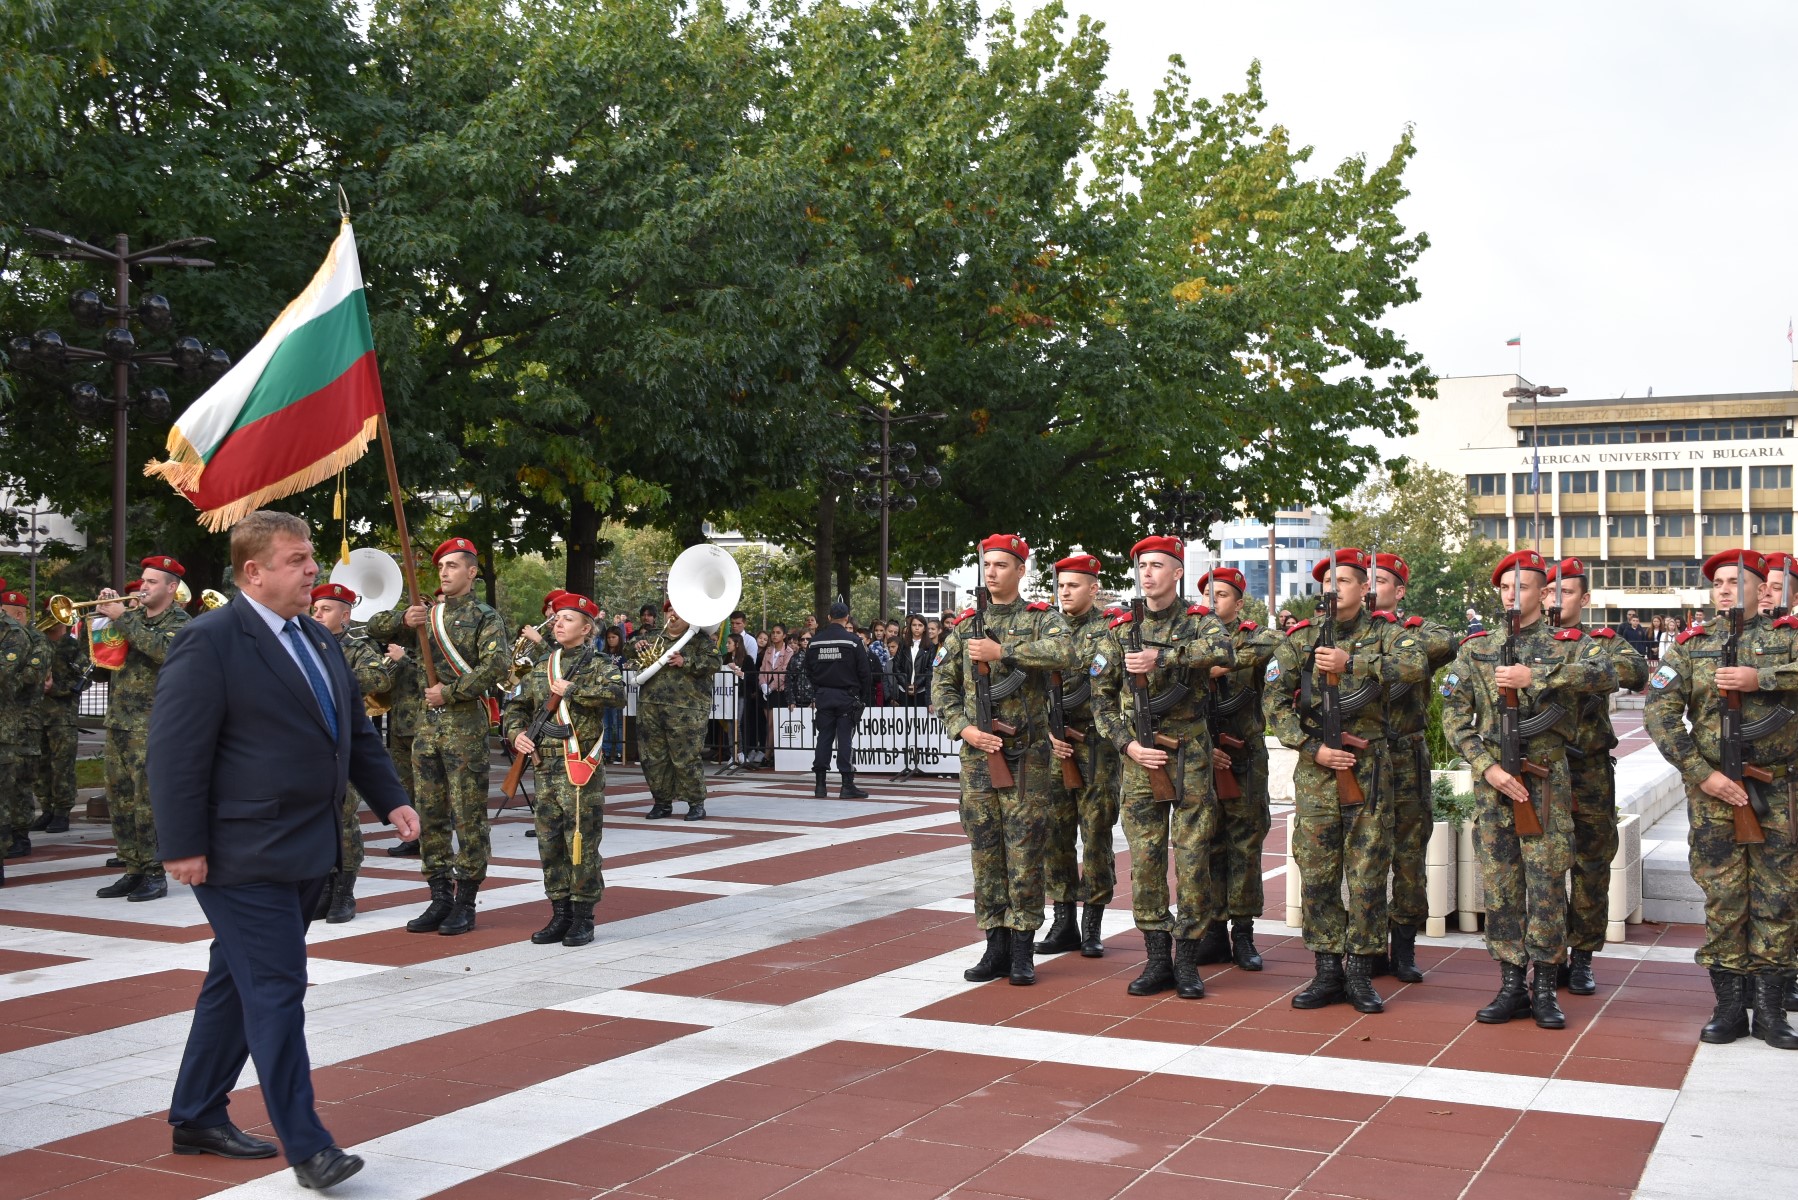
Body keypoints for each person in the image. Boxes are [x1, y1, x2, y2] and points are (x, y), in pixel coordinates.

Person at [150, 510, 416, 1190]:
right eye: (298, 560)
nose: (312, 571)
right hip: (240, 854)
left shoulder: (319, 641)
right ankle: (311, 1145)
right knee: (276, 987)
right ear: (253, 572)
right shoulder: (210, 641)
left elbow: (353, 734)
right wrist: (181, 844)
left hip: (306, 847)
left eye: (311, 558)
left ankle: (197, 1114)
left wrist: (391, 799)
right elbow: (175, 753)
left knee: (234, 983)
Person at [1441, 549, 1615, 1030]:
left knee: (1544, 883)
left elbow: (1610, 673)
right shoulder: (1476, 648)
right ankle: (1511, 983)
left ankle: (1545, 986)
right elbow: (1454, 716)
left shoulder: (1569, 645)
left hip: (1545, 782)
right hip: (1494, 783)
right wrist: (1486, 766)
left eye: (1523, 586)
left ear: (1544, 592)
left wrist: (1535, 676)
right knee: (1500, 886)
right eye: (1505, 587)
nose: (1512, 594)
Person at [1645, 549, 1798, 1049]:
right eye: (1719, 582)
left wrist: (1764, 679)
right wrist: (1701, 774)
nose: (1726, 589)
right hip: (1714, 793)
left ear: (1762, 587)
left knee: (1778, 898)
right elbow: (1659, 714)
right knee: (1725, 898)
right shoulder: (1692, 646)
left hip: (1777, 789)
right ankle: (1729, 1007)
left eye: (1738, 580)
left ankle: (1772, 1011)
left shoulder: (1788, 638)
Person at [1266, 549, 1426, 1014]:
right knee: (1316, 875)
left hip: (1369, 771)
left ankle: (1360, 971)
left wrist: (1351, 661)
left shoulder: (1390, 635)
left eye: (1347, 581)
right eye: (1329, 581)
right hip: (1318, 771)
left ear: (1365, 589)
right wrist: (1308, 745)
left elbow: (1415, 666)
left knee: (1368, 876)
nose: (1335, 589)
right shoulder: (1301, 640)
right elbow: (1273, 700)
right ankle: (1326, 970)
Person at [1090, 537, 1234, 998]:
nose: (1147, 573)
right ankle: (1156, 958)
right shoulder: (1118, 629)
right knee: (1147, 861)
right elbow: (1101, 700)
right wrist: (1128, 746)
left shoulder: (1200, 622)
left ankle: (1188, 959)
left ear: (1177, 573)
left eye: (1157, 565)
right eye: (1142, 566)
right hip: (1141, 760)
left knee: (1192, 858)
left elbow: (1225, 654)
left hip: (1189, 755)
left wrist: (1164, 657)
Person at [933, 533, 1074, 987]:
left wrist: (1004, 652)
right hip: (978, 757)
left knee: (1025, 850)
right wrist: (965, 728)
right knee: (986, 851)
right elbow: (943, 685)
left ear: (1020, 570)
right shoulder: (966, 625)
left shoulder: (1041, 620)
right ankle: (993, 943)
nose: (991, 572)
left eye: (1001, 564)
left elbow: (1068, 653)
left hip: (1027, 759)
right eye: (986, 564)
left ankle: (1021, 948)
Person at [365, 537, 510, 936]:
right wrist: (404, 620)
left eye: (452, 566)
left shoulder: (484, 616)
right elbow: (373, 626)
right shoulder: (428, 615)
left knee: (467, 815)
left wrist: (449, 691)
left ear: (472, 571)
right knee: (429, 815)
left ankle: (465, 901)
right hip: (425, 732)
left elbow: (497, 664)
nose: (444, 573)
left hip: (464, 727)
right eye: (441, 567)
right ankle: (439, 895)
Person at [1544, 557, 1648, 995]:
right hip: (1540, 769)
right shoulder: (1518, 643)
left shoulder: (1600, 643)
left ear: (1584, 599)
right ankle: (1546, 956)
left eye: (1565, 592)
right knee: (1542, 864)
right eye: (1549, 591)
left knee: (1591, 863)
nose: (1555, 599)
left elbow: (1636, 672)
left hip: (1587, 769)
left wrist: (1562, 674)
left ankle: (1582, 956)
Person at [503, 592, 626, 947]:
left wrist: (575, 689)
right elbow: (518, 707)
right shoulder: (543, 663)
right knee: (549, 841)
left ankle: (583, 916)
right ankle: (560, 912)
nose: (558, 623)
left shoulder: (598, 663)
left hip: (579, 766)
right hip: (544, 766)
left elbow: (617, 696)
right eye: (557, 618)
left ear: (587, 628)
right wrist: (517, 734)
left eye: (568, 619)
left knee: (582, 841)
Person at [1367, 553, 1456, 983]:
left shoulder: (1419, 632)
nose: (1371, 586)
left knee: (1407, 856)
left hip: (1405, 758)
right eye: (1365, 579)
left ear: (1398, 591)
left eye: (1380, 580)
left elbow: (1443, 645)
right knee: (1363, 855)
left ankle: (1403, 946)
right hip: (1362, 758)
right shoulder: (1344, 635)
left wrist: (1384, 641)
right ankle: (1364, 945)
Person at [1190, 567, 1281, 971]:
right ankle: (1212, 932)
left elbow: (1275, 644)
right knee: (1207, 843)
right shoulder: (1190, 639)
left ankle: (1243, 934)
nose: (1213, 601)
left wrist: (1223, 663)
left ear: (1239, 603)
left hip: (1245, 759)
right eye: (1208, 593)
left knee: (1245, 845)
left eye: (1222, 595)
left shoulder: (1253, 636)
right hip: (1200, 756)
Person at [1035, 553, 1122, 959]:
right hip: (1054, 748)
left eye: (1074, 585)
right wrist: (1048, 734)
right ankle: (1063, 921)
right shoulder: (1043, 627)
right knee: (1056, 835)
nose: (1065, 592)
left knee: (1097, 835)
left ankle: (1093, 924)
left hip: (1097, 747)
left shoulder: (1111, 630)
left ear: (1093, 588)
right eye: (1062, 585)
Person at [94, 555, 191, 901]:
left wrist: (123, 619)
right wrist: (102, 621)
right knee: (120, 800)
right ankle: (132, 867)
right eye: (144, 580)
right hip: (119, 722)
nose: (145, 586)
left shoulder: (180, 622)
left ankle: (154, 872)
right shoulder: (131, 618)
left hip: (153, 726)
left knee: (147, 802)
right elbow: (101, 662)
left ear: (171, 587)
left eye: (152, 581)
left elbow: (165, 651)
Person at [309, 582, 398, 923]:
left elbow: (379, 679)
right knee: (318, 817)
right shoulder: (304, 645)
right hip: (311, 746)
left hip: (342, 745)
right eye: (315, 609)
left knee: (344, 818)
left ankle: (345, 890)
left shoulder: (357, 649)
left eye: (326, 609)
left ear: (345, 616)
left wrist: (333, 669)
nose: (317, 614)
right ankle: (327, 887)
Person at [635, 601, 721, 820]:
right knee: (653, 758)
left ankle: (696, 803)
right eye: (669, 610)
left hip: (687, 710)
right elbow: (629, 650)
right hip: (651, 708)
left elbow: (714, 662)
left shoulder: (699, 640)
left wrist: (686, 660)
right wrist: (635, 646)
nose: (672, 614)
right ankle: (661, 802)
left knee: (686, 757)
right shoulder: (654, 638)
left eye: (678, 611)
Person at [27, 607, 88, 835]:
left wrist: (56, 689)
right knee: (40, 766)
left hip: (62, 717)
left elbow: (83, 680)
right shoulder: (37, 642)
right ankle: (47, 809)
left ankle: (62, 812)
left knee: (62, 767)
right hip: (37, 715)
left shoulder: (72, 647)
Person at [803, 600, 873, 798]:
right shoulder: (853, 641)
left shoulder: (815, 642)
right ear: (847, 618)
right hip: (847, 696)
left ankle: (820, 785)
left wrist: (819, 688)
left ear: (828, 618)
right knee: (845, 740)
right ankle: (846, 785)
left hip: (824, 695)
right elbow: (864, 672)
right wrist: (861, 696)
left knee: (823, 738)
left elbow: (808, 669)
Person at [1, 589, 52, 856]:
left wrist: (10, 681)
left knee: (21, 780)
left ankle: (20, 835)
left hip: (26, 719)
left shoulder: (36, 640)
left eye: (6, 612)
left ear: (19, 614)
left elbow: (33, 676)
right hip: (7, 718)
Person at [379, 639, 425, 855]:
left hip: (422, 727)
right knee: (405, 787)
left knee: (426, 788)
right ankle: (411, 838)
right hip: (399, 727)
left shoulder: (429, 646)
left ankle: (431, 840)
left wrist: (404, 661)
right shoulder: (399, 647)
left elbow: (431, 680)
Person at [599, 625, 629, 762]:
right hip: (605, 691)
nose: (611, 640)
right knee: (606, 723)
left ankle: (619, 751)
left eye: (614, 637)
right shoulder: (603, 654)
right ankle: (605, 750)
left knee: (618, 723)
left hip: (619, 692)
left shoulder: (624, 654)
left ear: (619, 638)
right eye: (609, 637)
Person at [891, 614, 934, 708]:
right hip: (903, 690)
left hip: (921, 691)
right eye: (914, 625)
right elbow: (896, 666)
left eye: (920, 625)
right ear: (910, 627)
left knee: (920, 721)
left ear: (925, 628)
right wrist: (906, 685)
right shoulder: (903, 644)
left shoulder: (930, 646)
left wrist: (916, 685)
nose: (917, 628)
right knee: (905, 720)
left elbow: (930, 669)